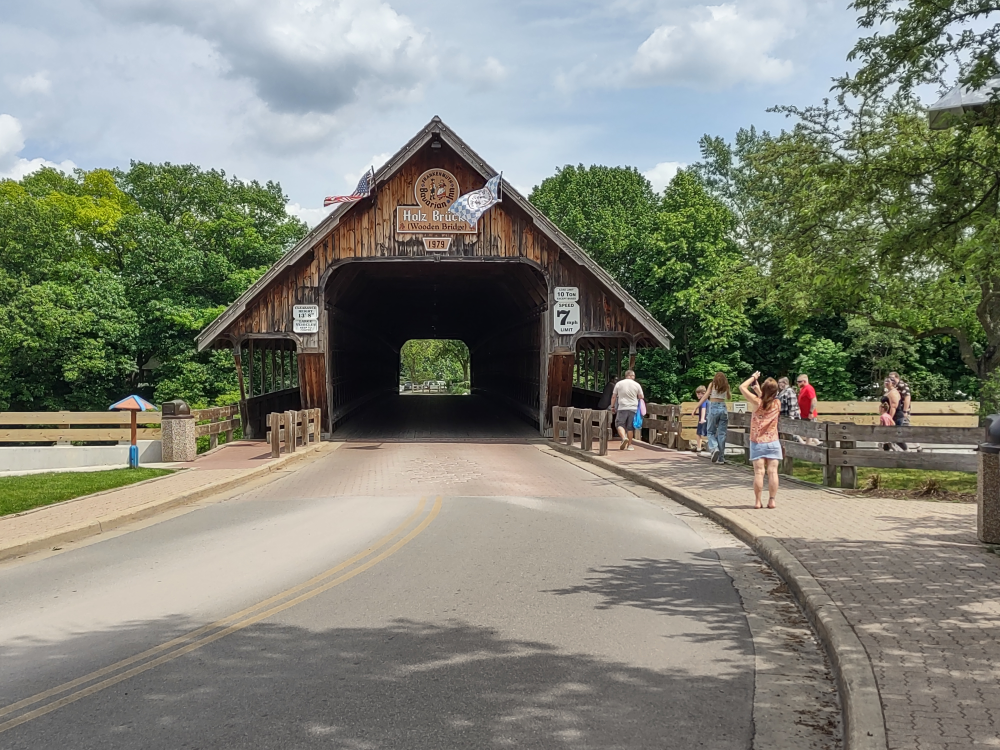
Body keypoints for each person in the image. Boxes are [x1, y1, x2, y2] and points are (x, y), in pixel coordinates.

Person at [739, 372, 782, 509]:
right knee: (773, 472)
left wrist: (753, 377)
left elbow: (742, 387)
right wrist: (759, 390)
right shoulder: (777, 403)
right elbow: (768, 399)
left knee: (759, 472)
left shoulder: (757, 402)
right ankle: (772, 500)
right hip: (773, 441)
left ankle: (758, 502)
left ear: (763, 390)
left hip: (758, 442)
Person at [693, 372, 731, 464]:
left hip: (713, 408)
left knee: (710, 431)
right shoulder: (726, 385)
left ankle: (714, 448)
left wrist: (696, 407)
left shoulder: (712, 384)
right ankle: (721, 459)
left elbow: (705, 396)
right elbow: (728, 397)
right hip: (723, 407)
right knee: (722, 434)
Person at [611, 369, 644, 451]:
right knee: (630, 427)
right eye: (633, 376)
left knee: (619, 424)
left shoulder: (619, 384)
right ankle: (629, 445)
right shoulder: (637, 385)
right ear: (631, 376)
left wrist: (612, 406)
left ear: (626, 376)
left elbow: (614, 396)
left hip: (622, 407)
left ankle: (623, 438)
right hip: (633, 408)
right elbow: (641, 397)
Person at [881, 377, 907, 451]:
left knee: (896, 436)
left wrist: (890, 419)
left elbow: (893, 407)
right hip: (890, 416)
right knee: (887, 436)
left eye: (888, 381)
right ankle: (886, 452)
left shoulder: (893, 392)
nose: (886, 382)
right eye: (885, 381)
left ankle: (907, 450)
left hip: (896, 417)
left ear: (893, 383)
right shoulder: (888, 392)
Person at [694, 385, 709, 453]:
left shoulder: (703, 401)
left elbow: (703, 409)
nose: (697, 395)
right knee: (709, 433)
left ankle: (699, 448)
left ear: (701, 394)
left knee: (698, 433)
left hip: (703, 419)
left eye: (698, 394)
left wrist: (702, 418)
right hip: (708, 419)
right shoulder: (707, 401)